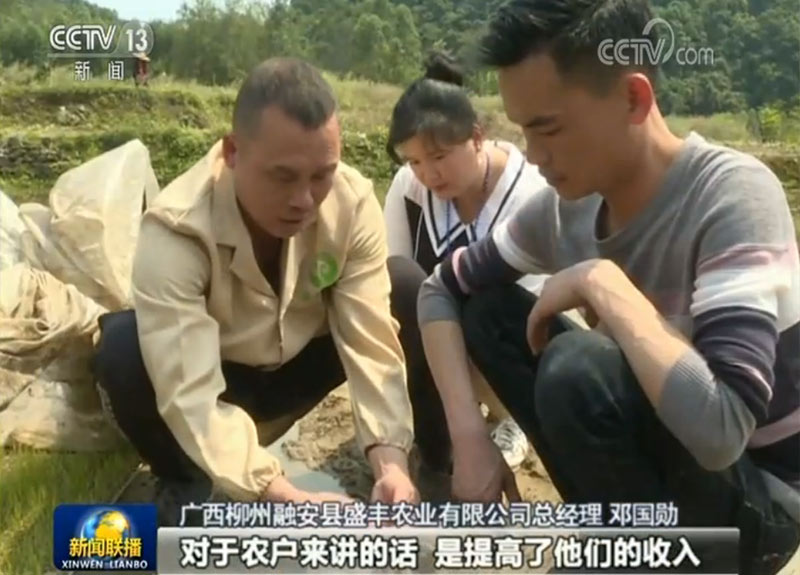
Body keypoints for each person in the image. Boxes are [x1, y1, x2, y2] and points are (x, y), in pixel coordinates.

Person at [416, 1, 799, 573]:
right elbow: (438, 290)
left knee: (579, 368)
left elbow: (722, 432)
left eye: (549, 129)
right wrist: (469, 438)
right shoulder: (563, 209)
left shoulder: (732, 196)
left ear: (633, 99)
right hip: (660, 473)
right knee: (489, 310)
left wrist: (602, 282)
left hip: (756, 504)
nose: (533, 156)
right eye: (523, 131)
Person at [93, 58, 420, 526]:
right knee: (123, 346)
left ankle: (432, 462)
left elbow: (370, 342)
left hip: (300, 367)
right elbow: (190, 392)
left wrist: (391, 461)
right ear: (232, 152)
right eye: (283, 177)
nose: (304, 200)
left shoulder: (351, 203)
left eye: (321, 175)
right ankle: (184, 479)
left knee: (406, 286)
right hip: (224, 381)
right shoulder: (176, 231)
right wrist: (279, 492)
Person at [382, 51, 549, 472]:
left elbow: (530, 317)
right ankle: (434, 429)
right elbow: (393, 279)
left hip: (506, 350)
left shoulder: (530, 195)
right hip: (434, 345)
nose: (428, 174)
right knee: (400, 285)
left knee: (487, 307)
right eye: (414, 161)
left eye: (440, 157)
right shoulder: (408, 188)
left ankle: (513, 420)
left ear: (476, 137)